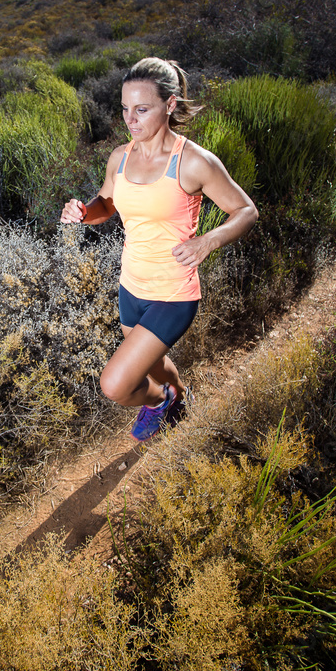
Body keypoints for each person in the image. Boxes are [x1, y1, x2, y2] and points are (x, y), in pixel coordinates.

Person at [60, 57, 258, 441]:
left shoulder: (194, 162)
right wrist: (85, 212)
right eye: (124, 110)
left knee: (116, 385)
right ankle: (179, 396)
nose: (130, 120)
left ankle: (162, 400)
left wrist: (208, 241)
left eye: (142, 109)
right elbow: (107, 204)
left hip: (172, 292)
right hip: (131, 286)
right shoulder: (121, 156)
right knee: (153, 364)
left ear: (169, 105)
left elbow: (246, 210)